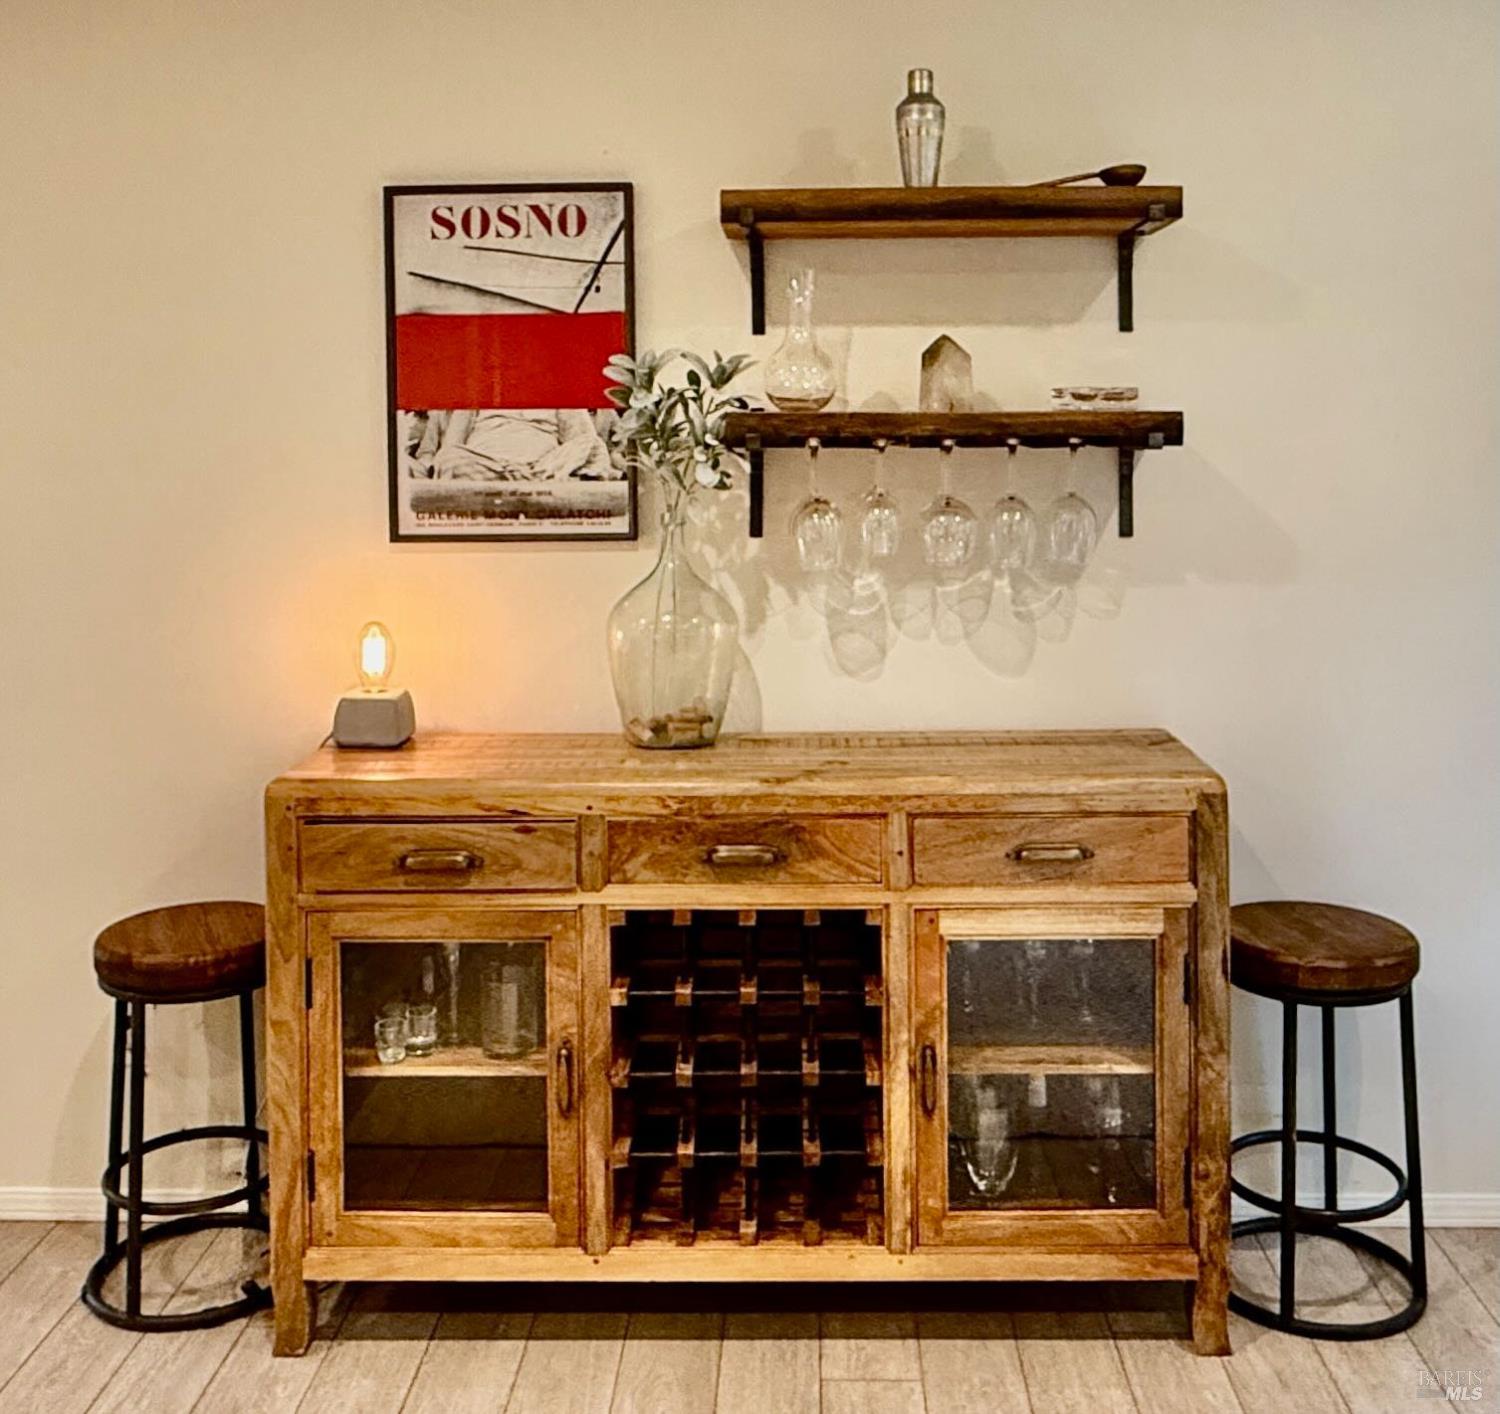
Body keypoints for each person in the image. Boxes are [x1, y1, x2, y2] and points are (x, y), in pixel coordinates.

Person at [405, 408, 617, 481]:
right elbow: (452, 445)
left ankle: (538, 483)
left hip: (544, 469)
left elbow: (584, 439)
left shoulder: (558, 388)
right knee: (449, 458)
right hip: (488, 467)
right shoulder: (477, 391)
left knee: (593, 446)